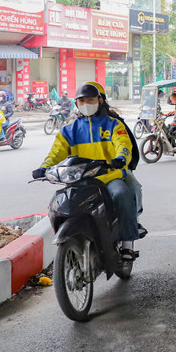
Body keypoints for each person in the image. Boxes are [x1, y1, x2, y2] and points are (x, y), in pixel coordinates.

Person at [32, 82, 140, 261]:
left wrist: (120, 158)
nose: (86, 104)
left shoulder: (113, 124)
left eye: (90, 99)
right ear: (76, 104)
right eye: (82, 100)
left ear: (99, 100)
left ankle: (127, 242)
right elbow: (56, 153)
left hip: (108, 176)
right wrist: (44, 167)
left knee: (122, 194)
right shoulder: (69, 130)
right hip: (79, 179)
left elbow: (124, 145)